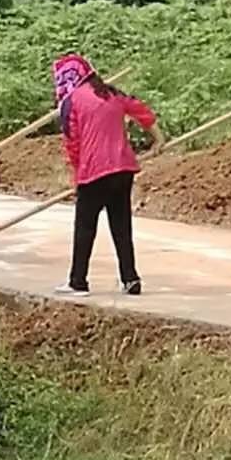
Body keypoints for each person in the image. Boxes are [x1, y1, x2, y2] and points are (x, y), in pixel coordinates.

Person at [51, 54, 164, 297]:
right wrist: (159, 139)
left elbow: (73, 144)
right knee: (121, 226)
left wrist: (78, 177)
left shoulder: (71, 101)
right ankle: (131, 279)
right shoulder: (110, 92)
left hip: (94, 171)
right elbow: (140, 110)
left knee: (85, 227)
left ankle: (78, 281)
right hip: (123, 168)